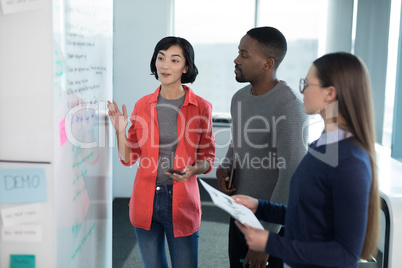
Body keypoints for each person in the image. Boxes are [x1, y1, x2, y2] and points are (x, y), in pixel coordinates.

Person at [233, 52, 380, 268]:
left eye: (307, 83)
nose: (301, 90)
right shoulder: (324, 144)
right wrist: (261, 207)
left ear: (329, 93)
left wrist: (270, 243)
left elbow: (345, 254)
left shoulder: (350, 160)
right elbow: (308, 214)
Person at [107, 36, 215, 268]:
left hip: (182, 200)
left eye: (174, 60)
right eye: (161, 58)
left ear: (186, 67)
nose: (165, 65)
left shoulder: (202, 107)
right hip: (145, 200)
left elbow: (207, 158)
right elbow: (128, 157)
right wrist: (120, 131)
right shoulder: (142, 105)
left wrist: (193, 170)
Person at [216, 26, 308, 268]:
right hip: (239, 215)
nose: (236, 60)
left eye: (244, 55)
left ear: (268, 64)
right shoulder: (239, 98)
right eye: (239, 52)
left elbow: (291, 177)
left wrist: (266, 239)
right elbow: (237, 144)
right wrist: (224, 168)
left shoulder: (289, 107)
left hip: (271, 227)